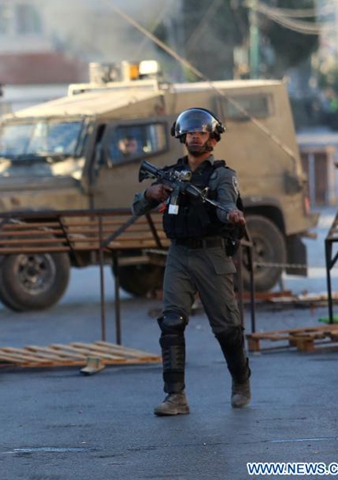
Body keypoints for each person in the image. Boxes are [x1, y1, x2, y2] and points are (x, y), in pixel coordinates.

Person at [132, 108, 250, 416]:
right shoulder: (170, 174)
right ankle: (176, 397)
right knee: (171, 323)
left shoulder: (223, 174)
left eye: (201, 132)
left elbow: (226, 203)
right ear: (182, 137)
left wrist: (232, 214)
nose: (195, 137)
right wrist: (151, 192)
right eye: (190, 133)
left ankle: (241, 381)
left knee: (226, 327)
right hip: (179, 255)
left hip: (211, 255)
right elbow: (137, 206)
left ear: (213, 138)